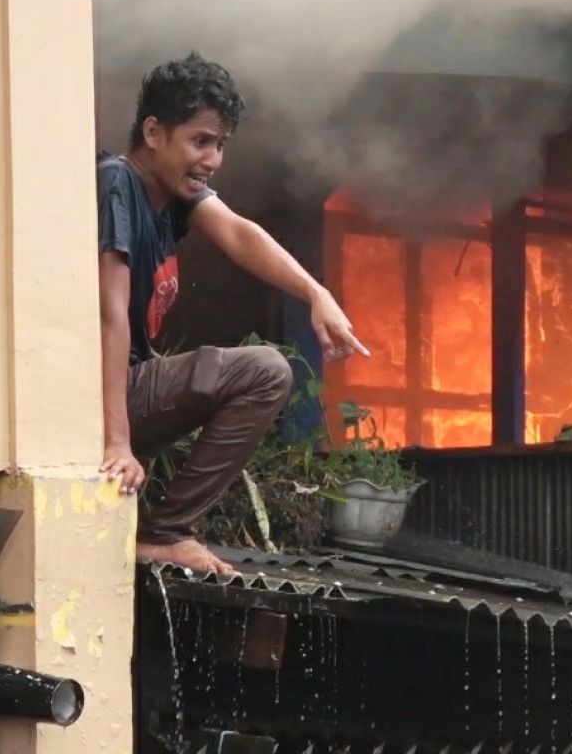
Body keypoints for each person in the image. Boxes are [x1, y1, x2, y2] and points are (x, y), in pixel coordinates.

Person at [97, 53, 368, 574]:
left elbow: (241, 233)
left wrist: (316, 293)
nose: (214, 159)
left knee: (264, 371)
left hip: (127, 385)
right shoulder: (118, 182)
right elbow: (108, 314)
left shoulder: (171, 196)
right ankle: (165, 532)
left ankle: (165, 529)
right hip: (100, 390)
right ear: (154, 132)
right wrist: (118, 441)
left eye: (221, 145)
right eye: (201, 141)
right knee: (265, 370)